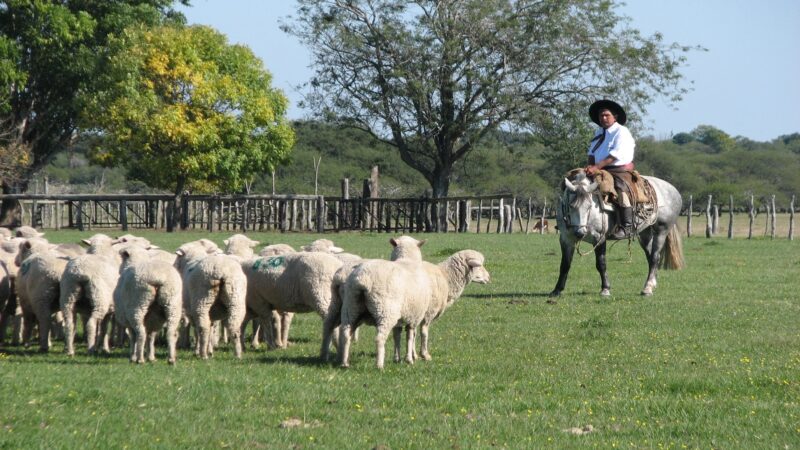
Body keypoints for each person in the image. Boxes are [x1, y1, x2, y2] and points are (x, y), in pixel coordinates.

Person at [584, 99, 636, 240]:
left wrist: (596, 167)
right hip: (599, 169)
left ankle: (626, 226)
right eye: (601, 115)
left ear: (615, 117)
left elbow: (614, 156)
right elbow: (591, 153)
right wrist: (589, 168)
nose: (603, 118)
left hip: (618, 170)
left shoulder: (621, 131)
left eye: (607, 115)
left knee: (621, 189)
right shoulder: (599, 132)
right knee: (577, 185)